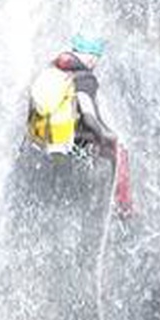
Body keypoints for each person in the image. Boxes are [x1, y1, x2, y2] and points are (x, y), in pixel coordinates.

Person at [26, 34, 136, 216]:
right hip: (73, 140)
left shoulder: (54, 69)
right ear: (91, 57)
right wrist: (106, 136)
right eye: (97, 58)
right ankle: (123, 207)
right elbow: (89, 118)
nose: (97, 62)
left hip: (45, 137)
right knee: (119, 150)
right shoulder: (85, 78)